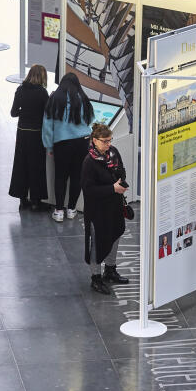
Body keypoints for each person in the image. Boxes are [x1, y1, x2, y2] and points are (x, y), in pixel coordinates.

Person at [82, 123, 129, 295]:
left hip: (114, 206)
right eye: (105, 141)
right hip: (97, 211)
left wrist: (121, 182)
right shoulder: (89, 162)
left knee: (115, 235)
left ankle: (110, 270)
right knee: (97, 242)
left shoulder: (113, 152)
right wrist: (112, 188)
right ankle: (96, 277)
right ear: (94, 140)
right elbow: (88, 190)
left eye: (110, 140)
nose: (108, 144)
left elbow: (122, 170)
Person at [42, 73, 94, 222]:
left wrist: (49, 146)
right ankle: (71, 209)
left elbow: (47, 126)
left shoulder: (54, 99)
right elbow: (90, 119)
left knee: (60, 177)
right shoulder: (83, 98)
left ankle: (58, 211)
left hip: (62, 144)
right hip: (82, 142)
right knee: (77, 176)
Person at [8, 64, 50, 210]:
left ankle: (22, 199)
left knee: (21, 165)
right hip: (36, 134)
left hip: (22, 133)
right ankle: (36, 201)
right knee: (36, 166)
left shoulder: (20, 90)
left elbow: (13, 113)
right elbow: (48, 114)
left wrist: (23, 112)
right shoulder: (42, 93)